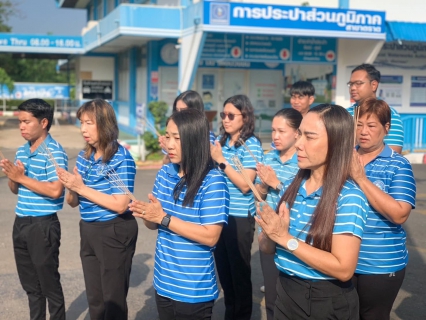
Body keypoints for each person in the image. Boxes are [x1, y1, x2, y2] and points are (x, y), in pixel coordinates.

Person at [256, 104, 369, 320]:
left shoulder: (349, 196)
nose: (298, 144)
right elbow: (266, 246)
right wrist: (271, 233)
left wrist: (286, 239)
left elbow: (344, 268)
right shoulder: (290, 185)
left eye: (310, 136)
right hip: (286, 290)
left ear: (336, 143)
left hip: (324, 300)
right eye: (299, 135)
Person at [129, 109, 229, 319]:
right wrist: (148, 215)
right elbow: (154, 224)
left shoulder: (213, 181)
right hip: (163, 281)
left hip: (193, 290)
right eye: (167, 136)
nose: (169, 144)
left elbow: (210, 236)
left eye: (177, 138)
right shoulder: (165, 173)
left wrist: (163, 218)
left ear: (194, 140)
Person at [56, 99, 138, 320]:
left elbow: (121, 204)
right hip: (89, 229)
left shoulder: (121, 158)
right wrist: (71, 186)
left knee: (113, 300)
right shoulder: (85, 157)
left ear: (105, 123)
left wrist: (81, 187)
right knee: (95, 298)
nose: (83, 129)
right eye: (81, 122)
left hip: (113, 229)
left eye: (89, 122)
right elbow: (73, 202)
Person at [0, 98, 68, 320]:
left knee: (49, 285)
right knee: (31, 285)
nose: (21, 126)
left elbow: (56, 190)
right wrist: (13, 177)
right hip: (21, 223)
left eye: (27, 122)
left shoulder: (54, 152)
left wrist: (21, 177)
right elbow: (15, 189)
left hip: (43, 225)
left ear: (44, 122)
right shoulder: (22, 151)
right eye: (20, 121)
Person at [350, 98, 416, 320]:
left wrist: (361, 179)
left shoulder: (398, 164)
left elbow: (400, 213)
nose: (363, 132)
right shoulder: (343, 158)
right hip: (342, 260)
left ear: (386, 128)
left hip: (380, 264)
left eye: (371, 125)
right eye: (359, 125)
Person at [210, 94, 264, 320]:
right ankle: (230, 313)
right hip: (220, 213)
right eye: (223, 115)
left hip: (240, 216)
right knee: (224, 271)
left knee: (239, 272)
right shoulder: (221, 142)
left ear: (246, 116)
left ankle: (240, 315)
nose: (226, 119)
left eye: (231, 115)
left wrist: (222, 161)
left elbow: (245, 184)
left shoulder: (250, 144)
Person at [254, 108, 302, 320]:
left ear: (297, 133)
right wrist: (263, 186)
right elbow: (259, 196)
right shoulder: (269, 157)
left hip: (294, 237)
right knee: (272, 298)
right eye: (273, 130)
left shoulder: (303, 162)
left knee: (295, 301)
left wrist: (276, 183)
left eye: (281, 131)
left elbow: (302, 200)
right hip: (268, 235)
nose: (275, 136)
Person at [347, 63, 404, 154]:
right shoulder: (345, 114)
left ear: (374, 85)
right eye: (351, 84)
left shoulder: (389, 113)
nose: (353, 88)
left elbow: (394, 154)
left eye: (358, 83)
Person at [159, 90, 215, 164]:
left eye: (183, 111)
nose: (179, 114)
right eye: (176, 110)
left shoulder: (207, 136)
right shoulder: (172, 133)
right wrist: (168, 150)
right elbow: (165, 163)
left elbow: (200, 163)